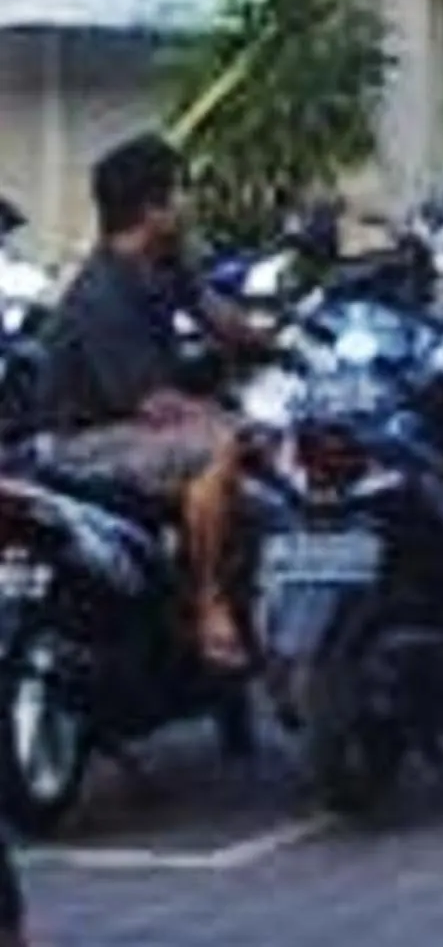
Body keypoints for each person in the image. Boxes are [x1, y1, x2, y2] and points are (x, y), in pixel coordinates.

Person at [35, 133, 261, 665]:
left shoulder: (162, 265)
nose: (191, 202)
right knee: (219, 445)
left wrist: (282, 337)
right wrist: (236, 420)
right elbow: (156, 405)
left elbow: (223, 319)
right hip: (86, 442)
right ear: (150, 209)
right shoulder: (103, 291)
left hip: (133, 430)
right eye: (180, 192)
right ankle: (209, 607)